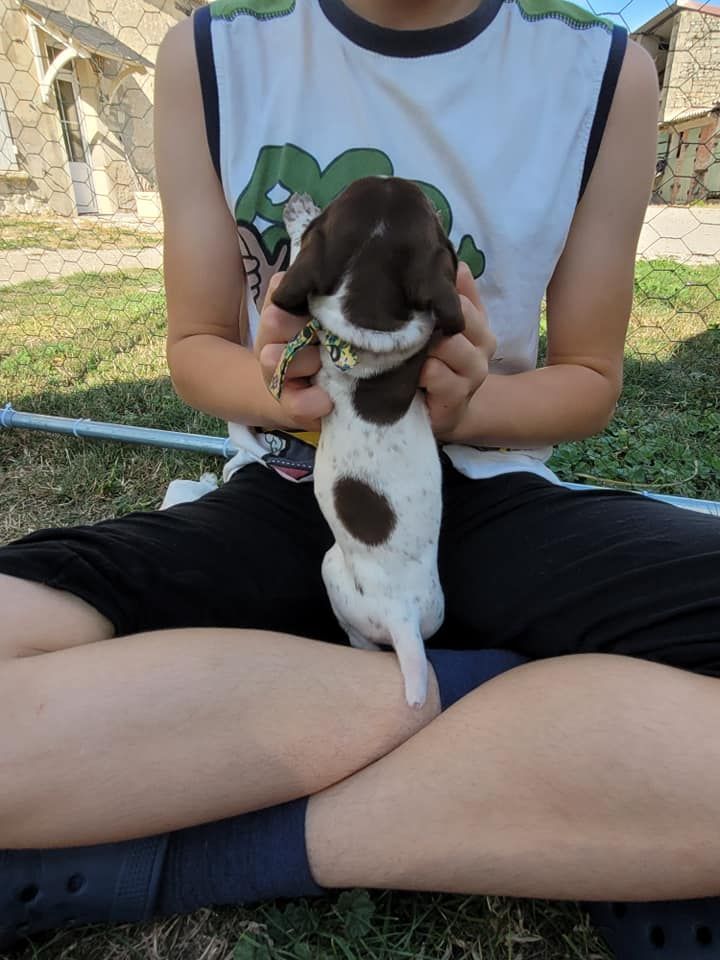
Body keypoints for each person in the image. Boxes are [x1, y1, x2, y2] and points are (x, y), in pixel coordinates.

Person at [1, 1, 719, 957]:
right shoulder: (213, 52)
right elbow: (194, 348)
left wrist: (469, 409)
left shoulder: (605, 70)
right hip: (294, 486)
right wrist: (289, 384)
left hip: (488, 489)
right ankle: (531, 730)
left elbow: (588, 383)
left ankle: (226, 834)